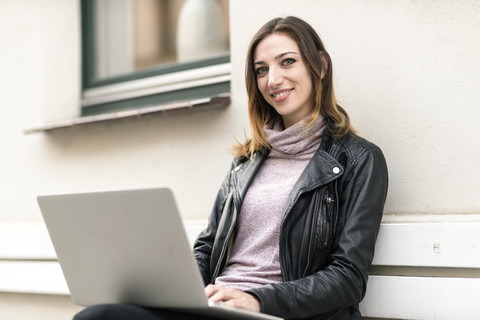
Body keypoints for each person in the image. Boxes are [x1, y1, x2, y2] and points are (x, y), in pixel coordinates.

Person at [73, 16, 388, 320]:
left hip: (275, 312)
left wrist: (257, 300)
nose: (272, 79)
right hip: (216, 306)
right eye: (261, 70)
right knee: (99, 314)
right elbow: (208, 248)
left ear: (320, 65)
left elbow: (348, 278)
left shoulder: (358, 161)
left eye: (287, 61)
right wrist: (174, 291)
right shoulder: (246, 162)